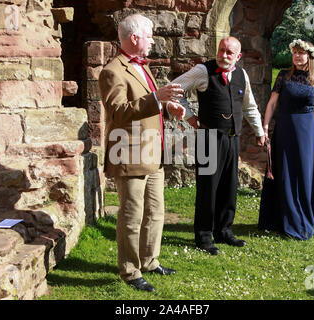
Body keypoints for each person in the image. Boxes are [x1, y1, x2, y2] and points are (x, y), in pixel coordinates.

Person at [98, 14, 186, 292]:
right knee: (132, 216)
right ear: (134, 38)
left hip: (152, 154)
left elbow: (145, 105)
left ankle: (150, 261)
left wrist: (167, 108)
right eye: (149, 36)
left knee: (156, 213)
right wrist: (157, 98)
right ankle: (130, 270)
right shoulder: (112, 70)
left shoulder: (141, 67)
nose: (152, 41)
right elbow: (119, 112)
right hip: (129, 154)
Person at [171, 36, 265, 255]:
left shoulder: (242, 74)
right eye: (221, 50)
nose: (223, 55)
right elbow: (174, 89)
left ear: (238, 56)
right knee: (208, 189)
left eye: (229, 52)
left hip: (232, 137)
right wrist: (190, 117)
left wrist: (259, 132)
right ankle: (204, 237)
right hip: (209, 137)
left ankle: (224, 231)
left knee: (229, 187)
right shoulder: (203, 71)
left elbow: (250, 106)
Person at [258, 39, 314, 240]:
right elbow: (272, 104)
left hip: (307, 134)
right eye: (295, 53)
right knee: (285, 170)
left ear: (310, 56)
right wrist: (265, 126)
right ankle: (282, 218)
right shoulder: (283, 76)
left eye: (301, 53)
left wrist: (303, 120)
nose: (297, 56)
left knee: (305, 171)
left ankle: (307, 214)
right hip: (285, 130)